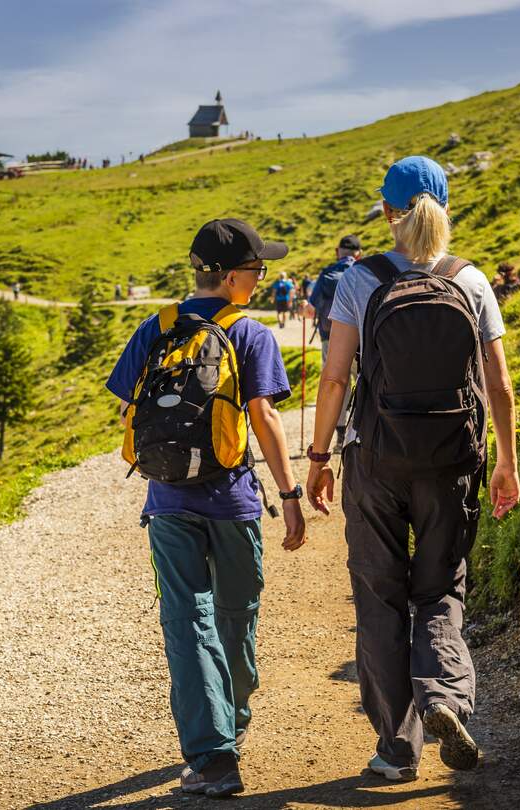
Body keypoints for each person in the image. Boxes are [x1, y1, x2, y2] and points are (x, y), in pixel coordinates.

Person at [305, 156, 519, 782]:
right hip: (452, 461)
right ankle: (446, 700)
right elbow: (499, 383)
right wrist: (506, 462)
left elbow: (336, 378)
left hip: (374, 458)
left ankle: (397, 748)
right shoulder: (471, 280)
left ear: (389, 213)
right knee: (440, 587)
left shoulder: (361, 279)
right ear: (444, 209)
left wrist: (319, 458)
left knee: (379, 594)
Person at [107, 218, 305, 799]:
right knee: (235, 614)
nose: (262, 279)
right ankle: (228, 736)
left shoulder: (157, 326)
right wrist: (290, 497)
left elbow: (128, 401)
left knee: (187, 624)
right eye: (257, 270)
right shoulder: (251, 332)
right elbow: (265, 418)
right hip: (233, 501)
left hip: (167, 500)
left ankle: (213, 749)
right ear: (232, 277)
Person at [307, 234, 362, 448]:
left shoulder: (326, 274)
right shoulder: (363, 272)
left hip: (330, 338)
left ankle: (339, 438)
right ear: (358, 254)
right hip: (359, 339)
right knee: (362, 381)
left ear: (337, 252)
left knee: (336, 385)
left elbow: (311, 308)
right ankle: (359, 431)